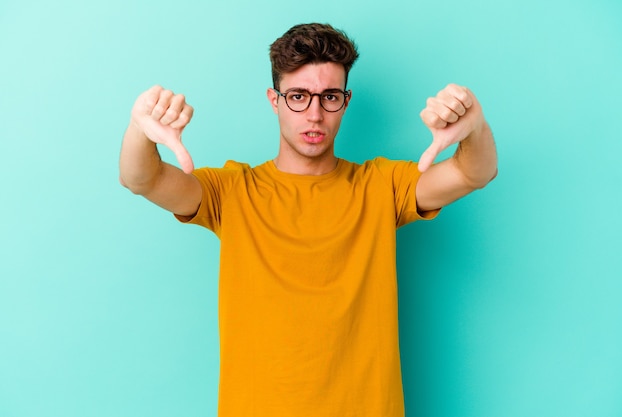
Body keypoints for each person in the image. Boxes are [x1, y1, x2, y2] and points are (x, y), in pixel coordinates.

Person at [119, 23, 496, 417]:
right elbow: (140, 178)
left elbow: (475, 172)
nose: (315, 114)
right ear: (274, 99)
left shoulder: (381, 186)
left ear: (345, 101)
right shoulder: (232, 191)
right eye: (298, 96)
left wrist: (475, 127)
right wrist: (138, 129)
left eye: (329, 96)